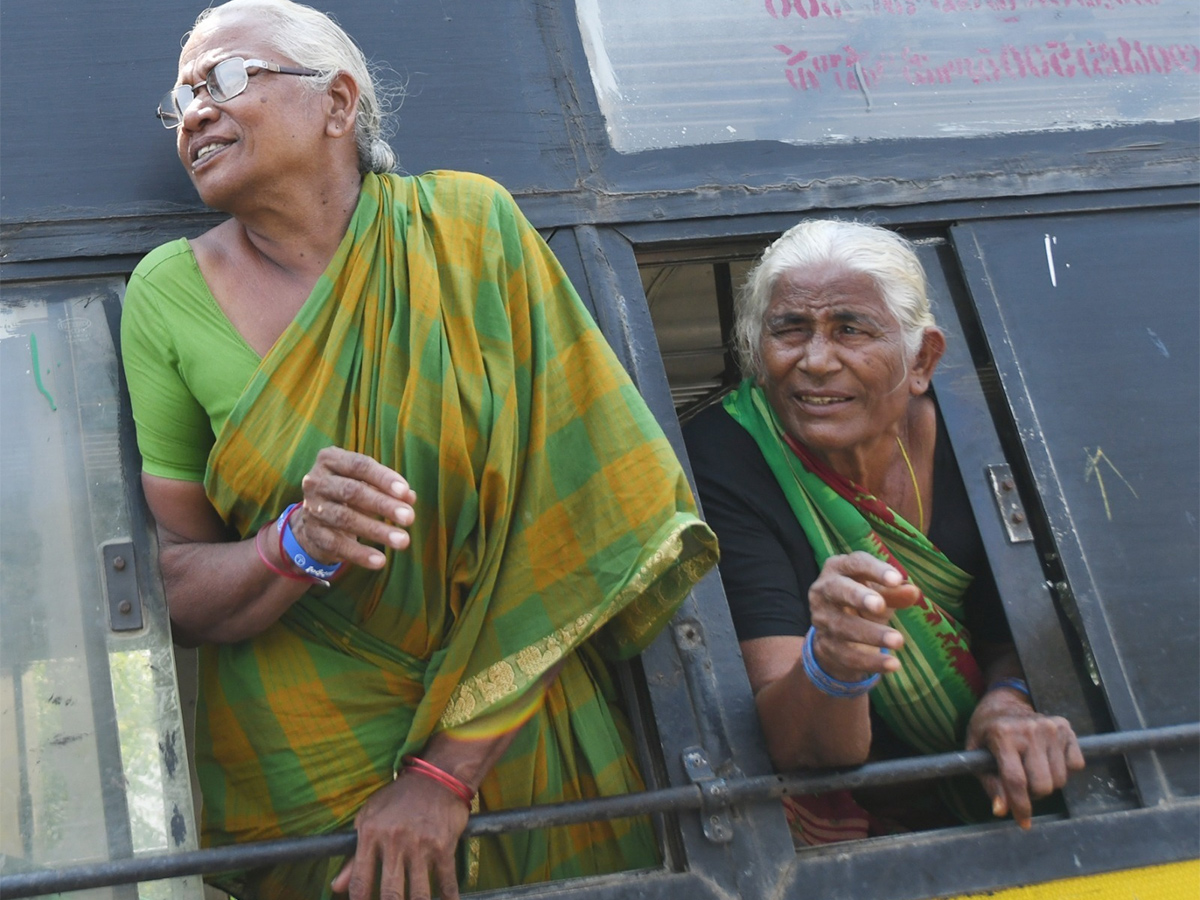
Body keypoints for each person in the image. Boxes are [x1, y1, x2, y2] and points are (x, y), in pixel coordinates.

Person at [120, 1, 718, 897]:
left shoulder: (472, 231)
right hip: (307, 765)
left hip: (516, 737)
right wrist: (292, 545)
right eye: (181, 98)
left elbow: (580, 516)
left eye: (228, 78)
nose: (195, 110)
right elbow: (172, 584)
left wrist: (447, 774)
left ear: (338, 103)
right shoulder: (167, 297)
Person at [682, 220, 1083, 846]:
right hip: (868, 820)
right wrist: (833, 664)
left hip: (1013, 801)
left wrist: (1008, 699)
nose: (815, 361)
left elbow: (1031, 625)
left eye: (850, 329)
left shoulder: (988, 434)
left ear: (922, 358)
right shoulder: (724, 459)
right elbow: (798, 746)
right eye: (789, 329)